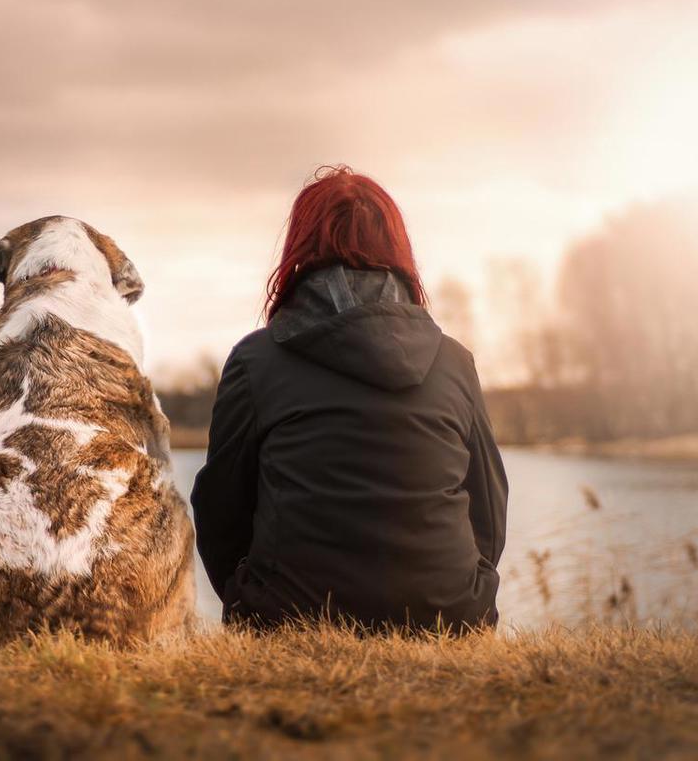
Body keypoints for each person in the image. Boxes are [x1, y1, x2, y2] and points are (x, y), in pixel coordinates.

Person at [190, 165, 508, 633]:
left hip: (288, 617)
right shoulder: (454, 362)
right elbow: (489, 509)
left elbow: (220, 510)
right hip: (449, 618)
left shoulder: (256, 361)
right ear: (397, 250)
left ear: (300, 249)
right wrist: (462, 590)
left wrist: (248, 597)